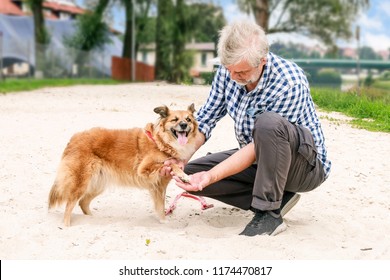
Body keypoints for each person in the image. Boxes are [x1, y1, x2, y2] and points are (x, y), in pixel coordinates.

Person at [162, 20, 331, 236]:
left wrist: (213, 176)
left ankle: (268, 214)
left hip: (304, 166)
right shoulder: (229, 71)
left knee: (268, 124)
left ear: (262, 61)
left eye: (240, 72)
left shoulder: (289, 83)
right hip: (260, 159)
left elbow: (257, 146)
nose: (233, 77)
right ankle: (279, 197)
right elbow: (205, 119)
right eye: (229, 70)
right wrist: (182, 157)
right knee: (192, 174)